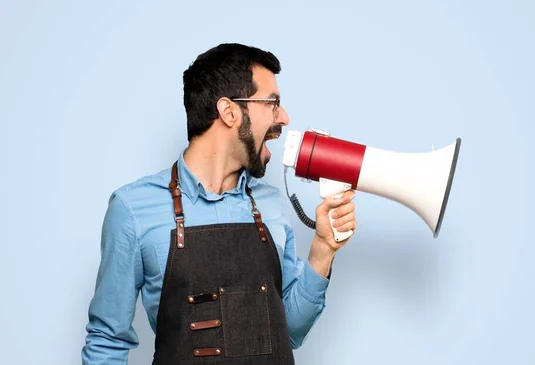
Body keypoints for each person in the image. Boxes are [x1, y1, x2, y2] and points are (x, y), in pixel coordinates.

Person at [81, 43, 357, 365]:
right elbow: (107, 343)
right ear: (229, 112)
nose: (283, 117)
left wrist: (323, 249)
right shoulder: (132, 210)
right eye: (272, 103)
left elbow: (291, 330)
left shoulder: (271, 205)